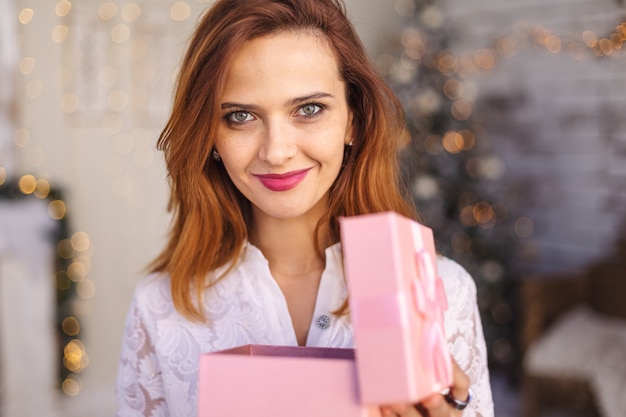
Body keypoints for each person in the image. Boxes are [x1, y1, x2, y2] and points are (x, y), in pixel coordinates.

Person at [116, 0, 494, 416]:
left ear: (354, 119)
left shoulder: (444, 291)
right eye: (240, 116)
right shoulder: (160, 306)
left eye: (309, 109)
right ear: (210, 136)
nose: (277, 152)